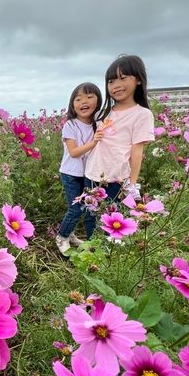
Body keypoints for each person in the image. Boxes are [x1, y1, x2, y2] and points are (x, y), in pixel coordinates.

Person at [84, 54, 155, 202]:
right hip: (92, 173)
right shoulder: (101, 114)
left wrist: (133, 183)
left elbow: (137, 150)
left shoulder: (142, 114)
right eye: (111, 81)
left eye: (123, 78)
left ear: (139, 80)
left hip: (117, 179)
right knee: (91, 217)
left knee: (111, 217)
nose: (116, 85)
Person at [56, 82, 104, 254]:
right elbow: (74, 152)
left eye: (90, 97)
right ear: (72, 105)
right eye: (78, 99)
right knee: (76, 208)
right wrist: (95, 141)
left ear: (98, 102)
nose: (84, 101)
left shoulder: (98, 124)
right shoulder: (71, 125)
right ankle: (62, 236)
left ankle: (73, 235)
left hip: (89, 173)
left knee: (88, 207)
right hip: (70, 173)